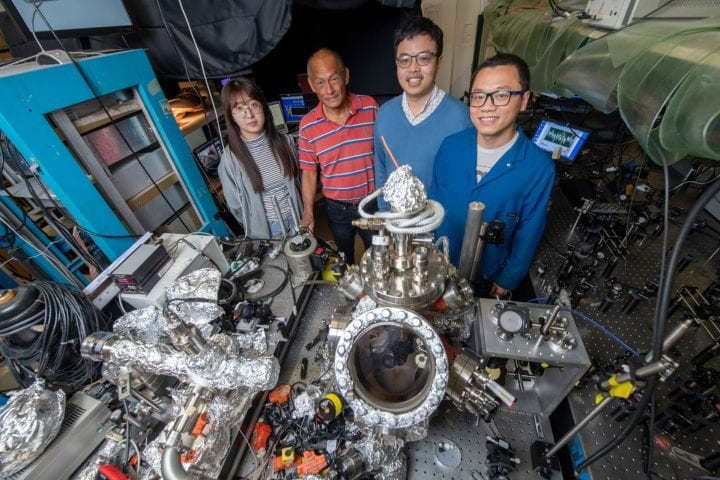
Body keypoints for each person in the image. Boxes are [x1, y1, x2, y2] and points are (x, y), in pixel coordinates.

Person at [429, 53, 555, 300]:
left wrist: (508, 278)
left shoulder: (538, 167)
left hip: (488, 276)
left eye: (501, 95)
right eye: (478, 96)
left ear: (524, 100)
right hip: (439, 265)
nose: (486, 106)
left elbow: (529, 232)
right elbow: (433, 202)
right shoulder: (450, 146)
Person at [374, 16, 471, 207]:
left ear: (439, 62)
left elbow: (464, 187)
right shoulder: (384, 114)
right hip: (396, 229)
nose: (413, 69)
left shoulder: (461, 118)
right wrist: (385, 220)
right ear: (396, 63)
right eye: (404, 60)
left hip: (440, 230)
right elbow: (381, 173)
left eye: (424, 58)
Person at [298, 48, 378, 264]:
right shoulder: (308, 126)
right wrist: (308, 212)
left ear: (346, 76)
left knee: (378, 255)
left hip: (371, 203)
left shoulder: (370, 107)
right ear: (312, 85)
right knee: (344, 257)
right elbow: (308, 172)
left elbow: (385, 154)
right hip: (336, 209)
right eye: (321, 82)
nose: (330, 89)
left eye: (334, 79)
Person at [218, 78, 302, 239]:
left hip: (299, 221)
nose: (249, 114)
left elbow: (298, 180)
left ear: (263, 107)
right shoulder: (230, 160)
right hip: (267, 233)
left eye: (253, 105)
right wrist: (258, 229)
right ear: (231, 115)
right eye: (239, 108)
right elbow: (236, 207)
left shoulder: (286, 142)